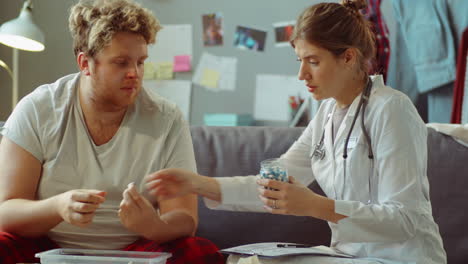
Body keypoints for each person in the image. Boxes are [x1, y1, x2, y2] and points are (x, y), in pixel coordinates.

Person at [146, 1, 447, 263]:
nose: (301, 75)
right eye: (300, 61)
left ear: (349, 57)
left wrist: (317, 206)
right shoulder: (326, 115)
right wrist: (199, 184)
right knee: (245, 260)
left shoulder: (391, 109)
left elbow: (406, 220)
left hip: (401, 258)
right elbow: (275, 181)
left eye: (313, 62)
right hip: (350, 256)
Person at [0, 0, 224, 263]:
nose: (135, 74)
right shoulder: (37, 110)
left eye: (140, 62)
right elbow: (6, 212)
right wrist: (57, 207)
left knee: (200, 251)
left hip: (136, 251)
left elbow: (185, 220)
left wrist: (154, 227)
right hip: (46, 248)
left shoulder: (167, 119)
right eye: (121, 63)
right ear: (85, 63)